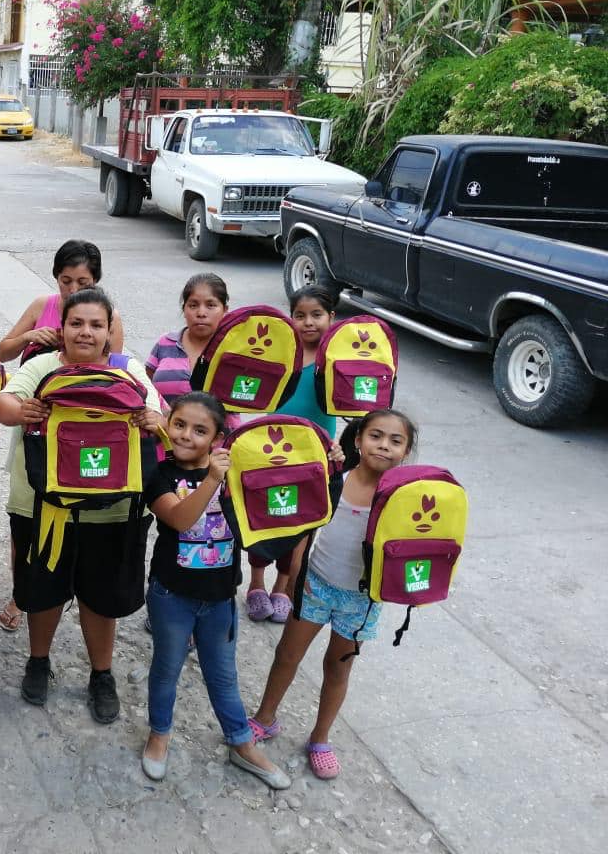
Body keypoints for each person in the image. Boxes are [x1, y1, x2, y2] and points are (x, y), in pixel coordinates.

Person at [0, 287, 164, 723]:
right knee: (43, 590)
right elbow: (2, 403)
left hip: (112, 508)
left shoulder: (130, 370)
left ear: (110, 330)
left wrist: (153, 419)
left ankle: (101, 673)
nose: (85, 332)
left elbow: (160, 417)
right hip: (44, 505)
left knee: (101, 596)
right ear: (61, 327)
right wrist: (21, 411)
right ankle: (38, 660)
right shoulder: (41, 366)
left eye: (96, 324)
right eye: (76, 323)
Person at [248, 410, 417, 781]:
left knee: (337, 669)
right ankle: (265, 718)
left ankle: (321, 739)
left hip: (361, 598)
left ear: (406, 451)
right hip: (316, 585)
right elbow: (307, 528)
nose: (384, 446)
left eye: (395, 441)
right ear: (358, 439)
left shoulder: (402, 497)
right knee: (286, 655)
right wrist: (293, 574)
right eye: (376, 436)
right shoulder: (333, 479)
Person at [139, 392, 290, 789]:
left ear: (218, 438)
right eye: (180, 425)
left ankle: (241, 742)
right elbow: (180, 519)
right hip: (171, 595)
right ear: (168, 423)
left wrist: (327, 470)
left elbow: (287, 497)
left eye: (200, 430)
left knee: (222, 676)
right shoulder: (160, 475)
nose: (186, 435)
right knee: (167, 669)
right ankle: (159, 734)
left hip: (221, 597)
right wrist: (211, 480)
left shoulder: (235, 472)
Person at [246, 285, 339, 623]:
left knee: (301, 524)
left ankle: (283, 587)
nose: (308, 323)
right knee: (264, 516)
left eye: (317, 315)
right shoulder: (281, 351)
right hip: (271, 448)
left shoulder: (337, 360)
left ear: (332, 318)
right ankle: (256, 583)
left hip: (316, 454)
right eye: (299, 315)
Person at [0, 239, 125, 363]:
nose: (73, 290)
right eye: (66, 281)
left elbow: (114, 368)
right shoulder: (41, 306)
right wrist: (26, 337)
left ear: (95, 280)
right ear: (56, 277)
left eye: (82, 283)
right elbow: (3, 354)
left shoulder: (111, 316)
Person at [145, 272, 232, 409]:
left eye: (211, 305)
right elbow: (145, 388)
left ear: (225, 310)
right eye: (193, 305)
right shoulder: (165, 343)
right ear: (184, 309)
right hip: (163, 429)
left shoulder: (234, 349)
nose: (201, 313)